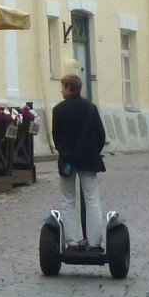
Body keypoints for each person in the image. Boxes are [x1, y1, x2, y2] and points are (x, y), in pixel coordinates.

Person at [50, 73, 108, 249]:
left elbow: (56, 137)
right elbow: (101, 136)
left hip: (67, 160)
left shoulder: (58, 110)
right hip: (89, 159)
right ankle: (95, 242)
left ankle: (73, 241)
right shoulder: (91, 108)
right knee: (92, 200)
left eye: (62, 87)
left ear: (68, 88)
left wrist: (66, 152)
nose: (61, 90)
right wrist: (92, 152)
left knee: (68, 200)